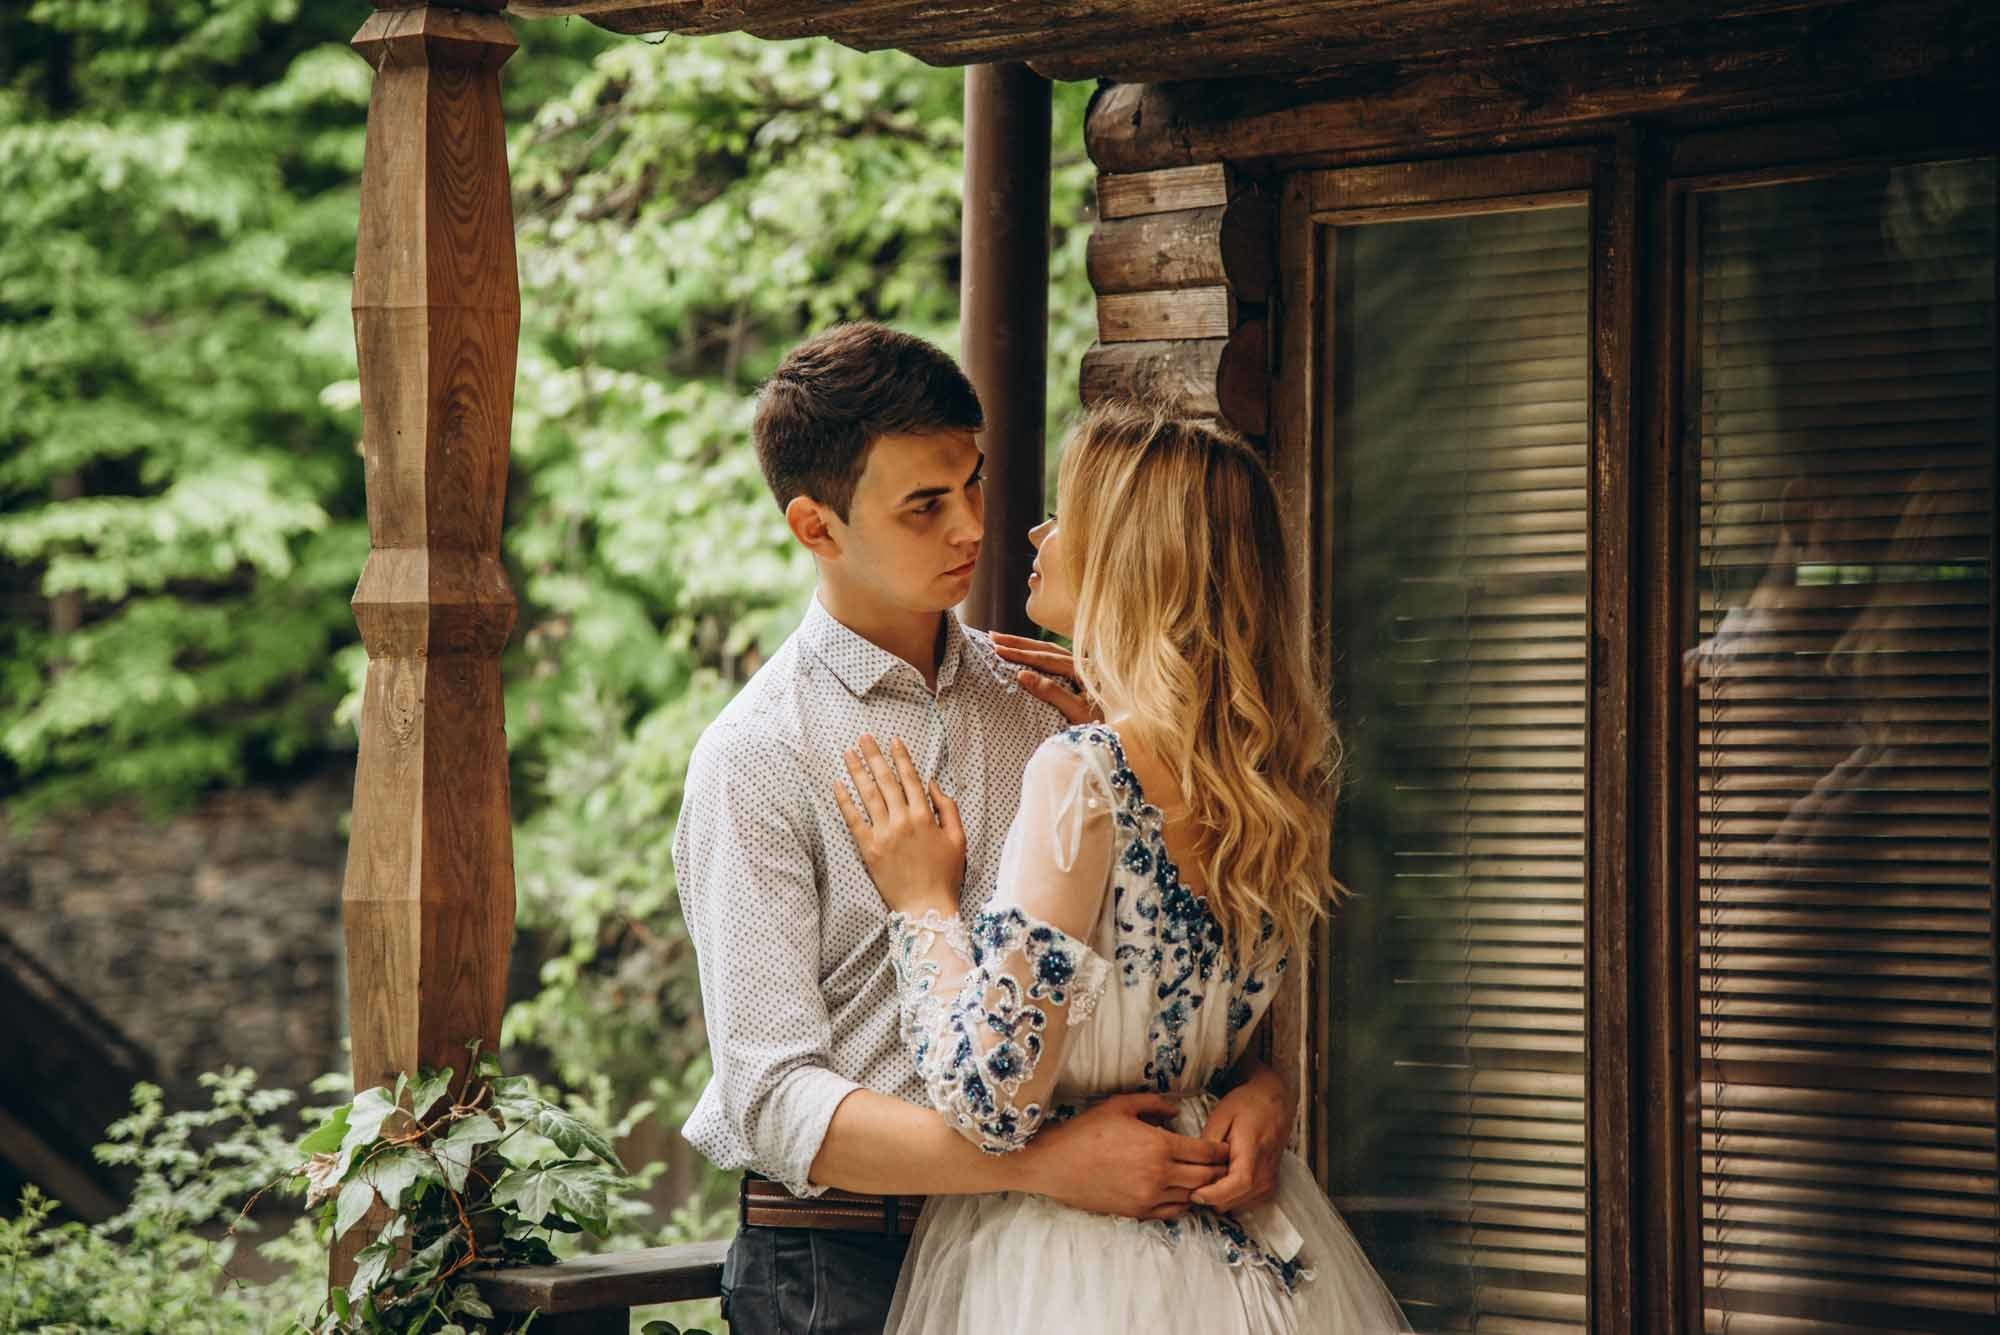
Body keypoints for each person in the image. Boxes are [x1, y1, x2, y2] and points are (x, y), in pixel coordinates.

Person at [674, 326, 1299, 1334]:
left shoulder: (1049, 707)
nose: (973, 526)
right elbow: (770, 1096)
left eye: (971, 484)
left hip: (1078, 1262)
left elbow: (1157, 967)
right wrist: (1046, 1164)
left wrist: (1262, 1088)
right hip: (841, 1265)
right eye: (924, 505)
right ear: (814, 526)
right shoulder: (754, 755)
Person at [834, 403, 1411, 1331]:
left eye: (1069, 513)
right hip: (1245, 1256)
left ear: (1131, 559)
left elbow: (991, 1100)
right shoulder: (1276, 779)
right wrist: (1268, 1086)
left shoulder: (1083, 775)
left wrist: (923, 903)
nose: (1033, 530)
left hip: (1078, 1264)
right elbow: (1212, 1033)